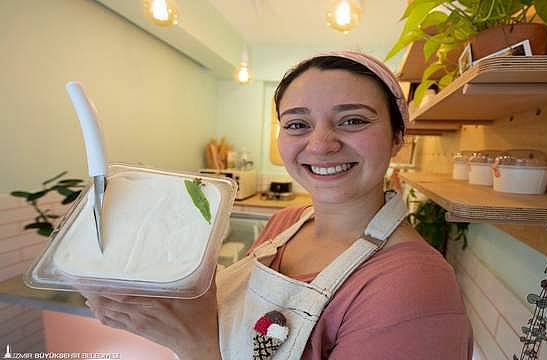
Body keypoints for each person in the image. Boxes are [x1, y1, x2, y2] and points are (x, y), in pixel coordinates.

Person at [84, 51, 473, 360]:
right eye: (297, 124)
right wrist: (167, 304)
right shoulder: (286, 223)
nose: (320, 145)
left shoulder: (414, 287)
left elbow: (208, 344)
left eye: (353, 121)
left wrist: (196, 346)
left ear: (396, 138)